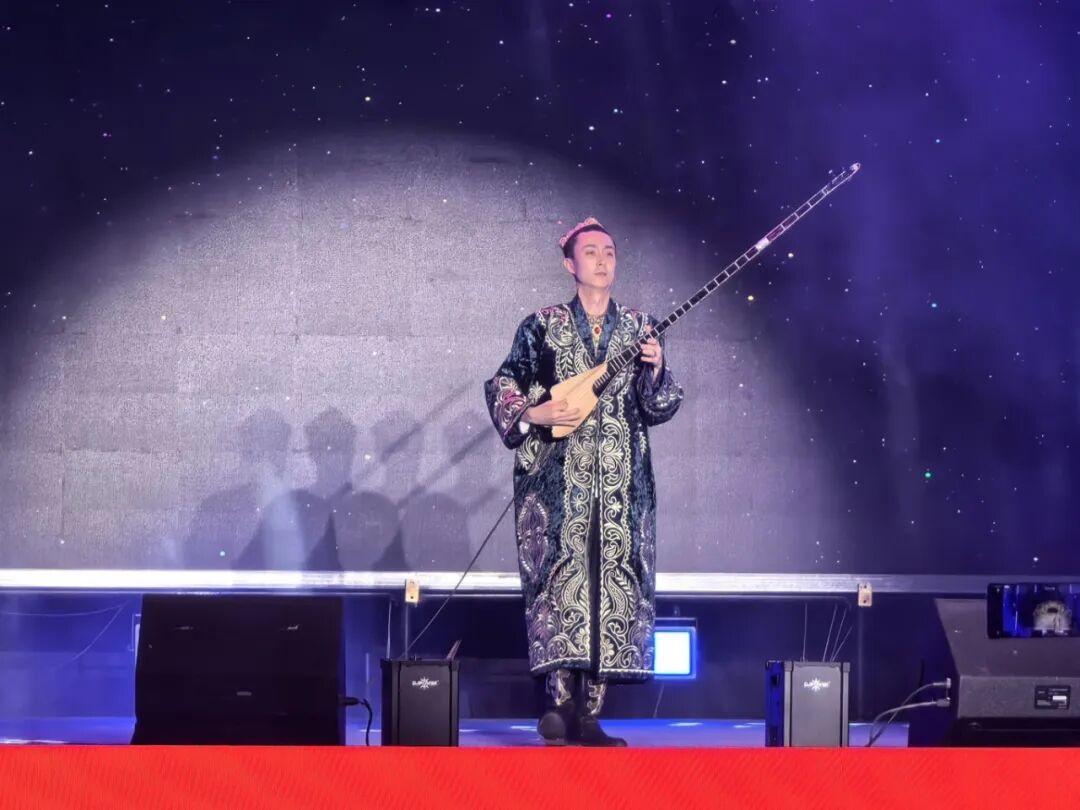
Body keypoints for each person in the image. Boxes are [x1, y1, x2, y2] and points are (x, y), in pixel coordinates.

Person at [484, 217, 683, 746]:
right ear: (570, 264)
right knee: (560, 579)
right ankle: (560, 703)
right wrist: (536, 412)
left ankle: (590, 713)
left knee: (611, 578)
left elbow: (659, 405)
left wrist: (656, 368)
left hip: (621, 481)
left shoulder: (640, 327)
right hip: (556, 479)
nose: (602, 260)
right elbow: (505, 382)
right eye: (591, 252)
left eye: (610, 252)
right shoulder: (541, 325)